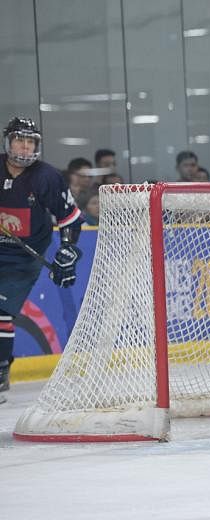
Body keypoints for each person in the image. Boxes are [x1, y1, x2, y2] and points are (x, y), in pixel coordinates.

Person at [0, 117, 84, 403]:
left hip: (23, 256)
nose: (24, 147)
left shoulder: (46, 176)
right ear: (7, 142)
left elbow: (70, 218)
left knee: (0, 308)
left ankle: (0, 372)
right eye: (19, 140)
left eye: (30, 141)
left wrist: (66, 250)